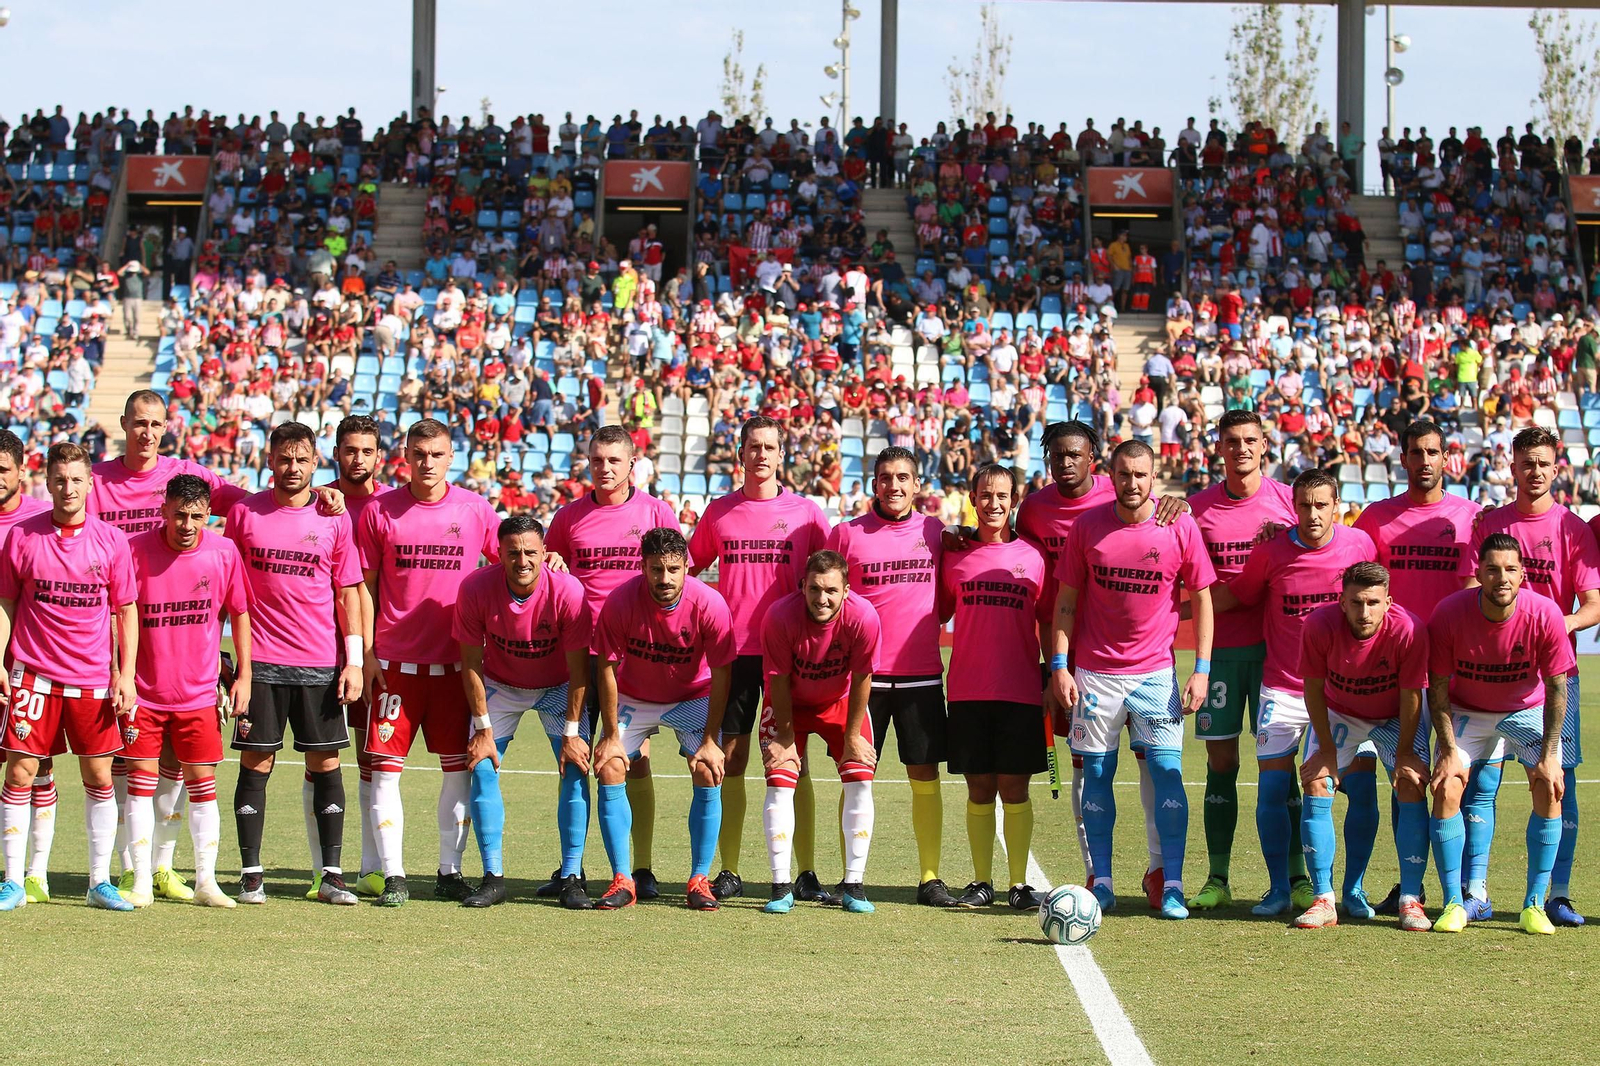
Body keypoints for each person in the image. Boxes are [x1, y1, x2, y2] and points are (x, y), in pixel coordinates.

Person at [1016, 420, 1184, 903]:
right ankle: (1096, 871)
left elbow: (1158, 507)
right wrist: (1055, 664)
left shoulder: (1120, 490)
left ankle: (1159, 870)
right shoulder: (1034, 509)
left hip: (1140, 659)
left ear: (1095, 459)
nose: (1066, 463)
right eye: (1057, 455)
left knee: (1153, 765)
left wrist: (1180, 502)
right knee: (1086, 769)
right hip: (1075, 658)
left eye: (1076, 454)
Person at [1052, 441, 1215, 919]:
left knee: (1168, 777)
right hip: (1096, 676)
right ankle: (1101, 880)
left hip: (1156, 676)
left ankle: (1172, 883)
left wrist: (1201, 671)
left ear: (1154, 475)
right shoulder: (1087, 527)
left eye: (1141, 475)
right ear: (1111, 475)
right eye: (1124, 474)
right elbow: (1065, 602)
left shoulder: (1179, 525)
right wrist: (1060, 665)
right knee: (1096, 777)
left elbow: (1202, 600)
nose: (1132, 483)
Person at [1207, 468, 1377, 916]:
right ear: (1293, 507)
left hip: (1344, 694)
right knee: (1271, 793)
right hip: (1282, 689)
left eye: (1322, 505)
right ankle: (1280, 888)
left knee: (1358, 789)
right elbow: (1236, 595)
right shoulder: (1271, 553)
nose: (1313, 513)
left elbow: (1376, 607)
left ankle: (1352, 889)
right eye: (1305, 505)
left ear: (1337, 506)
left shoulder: (1359, 546)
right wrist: (1177, 609)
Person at [1456, 426, 1600, 927]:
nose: (1534, 472)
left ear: (1555, 468)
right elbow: (1472, 586)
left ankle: (1555, 895)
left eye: (1543, 463)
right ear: (1511, 467)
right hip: (1487, 673)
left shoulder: (1573, 530)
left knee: (1559, 785)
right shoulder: (1490, 524)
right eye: (1526, 463)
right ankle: (1475, 892)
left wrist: (1552, 626)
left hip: (1555, 676)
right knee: (1478, 785)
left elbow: (1593, 606)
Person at [357, 419, 502, 908]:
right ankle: (394, 875)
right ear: (405, 455)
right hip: (395, 665)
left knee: (456, 771)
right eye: (418, 453)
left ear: (450, 456)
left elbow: (514, 556)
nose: (427, 462)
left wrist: (555, 561)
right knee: (385, 772)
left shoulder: (475, 509)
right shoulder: (380, 511)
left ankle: (449, 871)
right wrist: (368, 653)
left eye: (436, 454)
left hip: (457, 668)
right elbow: (364, 589)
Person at [687, 416, 828, 901]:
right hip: (736, 653)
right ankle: (728, 869)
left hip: (791, 655)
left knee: (795, 760)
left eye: (770, 447)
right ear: (741, 454)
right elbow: (687, 568)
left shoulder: (808, 515)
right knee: (732, 757)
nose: (761, 455)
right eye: (754, 447)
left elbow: (830, 579)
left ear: (781, 455)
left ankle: (806, 871)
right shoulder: (720, 511)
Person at [224, 421, 364, 905]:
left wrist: (355, 661)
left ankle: (331, 875)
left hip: (320, 662)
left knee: (325, 762)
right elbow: (229, 588)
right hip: (259, 661)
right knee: (255, 762)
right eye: (284, 459)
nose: (293, 468)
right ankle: (251, 874)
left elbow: (348, 592)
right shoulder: (244, 514)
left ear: (315, 463)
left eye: (302, 460)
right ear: (270, 461)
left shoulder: (334, 518)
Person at [0, 442, 137, 912]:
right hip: (32, 675)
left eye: (76, 480)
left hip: (93, 679)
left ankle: (99, 882)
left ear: (89, 483)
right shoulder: (22, 536)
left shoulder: (112, 541)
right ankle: (14, 880)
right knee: (19, 771)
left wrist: (127, 675)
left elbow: (126, 611)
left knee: (99, 775)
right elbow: (7, 604)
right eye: (60, 480)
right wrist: (1, 661)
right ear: (47, 482)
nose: (68, 488)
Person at [542, 426, 677, 899]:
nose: (605, 469)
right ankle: (570, 870)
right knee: (574, 760)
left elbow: (673, 579)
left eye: (614, 461)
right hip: (582, 658)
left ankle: (641, 868)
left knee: (634, 760)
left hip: (636, 661)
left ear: (632, 464)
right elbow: (550, 566)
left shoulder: (657, 512)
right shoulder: (568, 517)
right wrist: (553, 564)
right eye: (597, 460)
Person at [1351, 419, 1480, 915]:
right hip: (1395, 672)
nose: (1424, 460)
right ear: (1402, 458)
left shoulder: (1471, 517)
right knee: (1405, 777)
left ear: (1446, 458)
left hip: (1452, 673)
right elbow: (1351, 574)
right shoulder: (1375, 519)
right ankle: (1411, 884)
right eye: (1415, 452)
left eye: (1433, 452)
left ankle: (1466, 888)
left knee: (1460, 783)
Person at [825, 446, 957, 907]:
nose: (894, 486)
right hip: (864, 679)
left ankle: (930, 877)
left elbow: (948, 599)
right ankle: (850, 877)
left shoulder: (937, 532)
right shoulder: (846, 534)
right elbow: (829, 600)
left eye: (903, 477)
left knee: (924, 772)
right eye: (885, 478)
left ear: (917, 484)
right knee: (856, 774)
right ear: (873, 483)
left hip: (921, 675)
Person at [1427, 534, 1573, 936]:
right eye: (1492, 569)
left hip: (1525, 710)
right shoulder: (1449, 612)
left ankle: (1533, 905)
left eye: (1510, 569)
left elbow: (1558, 687)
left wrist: (1550, 753)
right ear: (1478, 573)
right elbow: (1437, 688)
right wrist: (1448, 750)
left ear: (1523, 574)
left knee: (1549, 784)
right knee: (1447, 786)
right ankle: (1454, 903)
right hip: (1468, 712)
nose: (1501, 578)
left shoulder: (1545, 614)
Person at [1185, 410, 1301, 911]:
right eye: (1231, 441)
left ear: (1265, 444)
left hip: (1278, 651)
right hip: (1222, 653)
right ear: (1219, 447)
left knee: (1282, 764)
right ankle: (1218, 876)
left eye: (1250, 440)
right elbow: (1187, 579)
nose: (1241, 449)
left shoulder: (1290, 503)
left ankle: (1297, 875)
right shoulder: (1194, 509)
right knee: (1222, 760)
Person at [591, 527, 735, 910]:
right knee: (609, 765)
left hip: (692, 696)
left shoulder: (710, 604)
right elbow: (606, 667)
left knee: (708, 768)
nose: (665, 579)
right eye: (656, 569)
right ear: (643, 567)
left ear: (688, 565)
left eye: (673, 569)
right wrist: (609, 734)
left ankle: (699, 879)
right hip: (635, 696)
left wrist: (709, 740)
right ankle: (623, 879)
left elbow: (722, 673)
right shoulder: (621, 601)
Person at [125, 474, 251, 909]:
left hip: (198, 695)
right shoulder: (134, 550)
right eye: (179, 514)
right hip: (144, 693)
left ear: (208, 515)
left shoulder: (223, 552)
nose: (187, 524)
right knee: (140, 788)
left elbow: (240, 614)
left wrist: (244, 676)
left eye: (197, 516)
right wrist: (120, 675)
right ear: (163, 510)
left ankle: (206, 882)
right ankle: (141, 881)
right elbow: (118, 616)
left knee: (203, 786)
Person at [454, 515, 591, 908]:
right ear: (498, 553)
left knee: (575, 766)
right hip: (501, 684)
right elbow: (470, 663)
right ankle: (493, 876)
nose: (522, 560)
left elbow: (581, 670)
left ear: (545, 553)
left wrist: (571, 734)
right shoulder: (476, 588)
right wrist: (481, 728)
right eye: (513, 552)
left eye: (531, 552)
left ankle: (570, 877)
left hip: (559, 686)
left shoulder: (568, 590)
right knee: (480, 764)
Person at [1293, 563, 1431, 931]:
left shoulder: (1409, 629)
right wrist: (1324, 750)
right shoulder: (1319, 625)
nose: (1364, 612)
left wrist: (1404, 755)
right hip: (1341, 712)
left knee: (1412, 783)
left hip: (1394, 716)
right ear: (1342, 602)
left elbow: (1411, 695)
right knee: (1316, 781)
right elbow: (1313, 689)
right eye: (1356, 602)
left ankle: (1410, 899)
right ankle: (1324, 899)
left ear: (1389, 601)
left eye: (1373, 602)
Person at [940, 464, 1050, 911]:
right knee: (979, 790)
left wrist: (1053, 674)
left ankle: (1020, 884)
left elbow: (1051, 621)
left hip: (1021, 690)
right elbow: (936, 612)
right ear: (972, 497)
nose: (993, 504)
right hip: (967, 689)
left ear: (1015, 499)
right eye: (985, 495)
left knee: (1015, 790)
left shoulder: (1035, 557)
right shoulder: (954, 555)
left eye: (1002, 496)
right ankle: (982, 881)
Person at [758, 550, 881, 914]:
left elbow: (863, 678)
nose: (821, 598)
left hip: (839, 701)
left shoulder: (864, 617)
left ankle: (854, 886)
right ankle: (781, 886)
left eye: (830, 590)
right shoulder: (779, 616)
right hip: (788, 704)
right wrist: (784, 736)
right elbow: (777, 679)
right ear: (803, 587)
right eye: (814, 589)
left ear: (846, 590)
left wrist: (854, 735)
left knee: (860, 780)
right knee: (780, 781)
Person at [326, 415, 390, 897]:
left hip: (371, 651)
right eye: (350, 450)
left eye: (366, 451)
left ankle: (370, 866)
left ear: (379, 456)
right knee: (321, 758)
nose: (358, 459)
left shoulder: (390, 505)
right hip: (312, 647)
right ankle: (323, 869)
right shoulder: (316, 499)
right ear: (336, 452)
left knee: (372, 757)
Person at [0, 431, 54, 902]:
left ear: (21, 470)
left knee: (33, 767)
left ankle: (30, 874)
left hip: (24, 666)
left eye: (2, 468)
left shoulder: (40, 521)